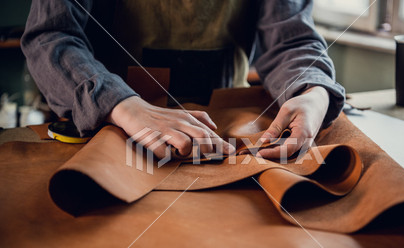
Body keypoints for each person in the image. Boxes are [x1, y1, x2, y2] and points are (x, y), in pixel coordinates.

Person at [21, 0, 345, 159]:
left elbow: (290, 39)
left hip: (226, 133)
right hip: (111, 130)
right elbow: (51, 35)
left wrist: (313, 89)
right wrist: (118, 103)